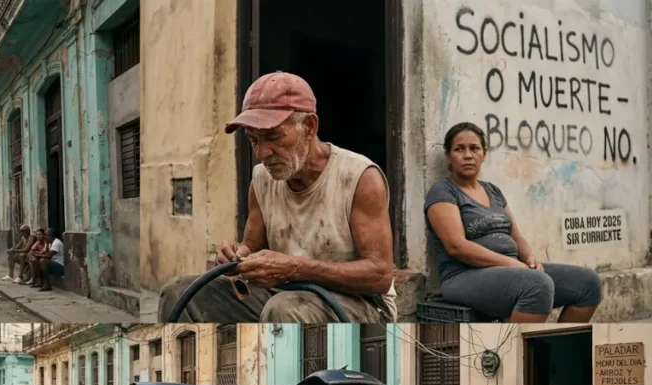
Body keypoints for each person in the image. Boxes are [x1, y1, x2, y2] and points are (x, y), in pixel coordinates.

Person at [158, 71, 396, 323]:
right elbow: (251, 246)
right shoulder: (261, 178)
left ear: (309, 126)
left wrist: (294, 267)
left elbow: (379, 276)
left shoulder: (359, 177)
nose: (262, 152)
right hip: (284, 294)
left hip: (360, 303)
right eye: (253, 140)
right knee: (176, 292)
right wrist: (238, 254)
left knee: (283, 309)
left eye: (273, 137)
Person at [425, 122, 602, 323]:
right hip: (464, 276)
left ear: (484, 154)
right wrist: (512, 264)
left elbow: (516, 235)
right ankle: (522, 351)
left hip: (514, 269)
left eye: (474, 148)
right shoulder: (443, 191)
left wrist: (529, 259)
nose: (468, 155)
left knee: (588, 283)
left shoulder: (493, 190)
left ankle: (557, 345)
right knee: (537, 285)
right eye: (459, 149)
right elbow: (458, 247)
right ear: (448, 156)